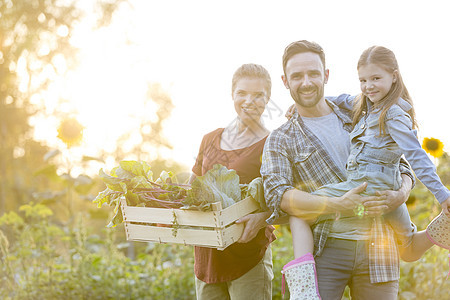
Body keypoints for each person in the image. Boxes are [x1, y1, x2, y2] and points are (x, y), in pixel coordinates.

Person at [283, 43, 450, 299]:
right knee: (408, 249)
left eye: (375, 78)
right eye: (362, 80)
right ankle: (442, 229)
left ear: (394, 75)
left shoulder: (392, 114)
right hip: (388, 187)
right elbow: (343, 99)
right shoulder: (367, 104)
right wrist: (303, 102)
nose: (368, 85)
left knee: (299, 209)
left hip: (364, 186)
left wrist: (442, 194)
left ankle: (304, 291)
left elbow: (417, 156)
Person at [261, 40, 416, 300]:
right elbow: (279, 196)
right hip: (326, 247)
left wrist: (402, 192)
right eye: (297, 76)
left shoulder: (359, 112)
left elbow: (399, 160)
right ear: (285, 81)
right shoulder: (281, 138)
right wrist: (337, 204)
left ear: (326, 75)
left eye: (313, 73)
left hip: (378, 246)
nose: (306, 82)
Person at [189, 63, 276, 300]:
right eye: (242, 93)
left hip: (247, 256)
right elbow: (191, 188)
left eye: (258, 95)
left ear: (268, 99)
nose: (250, 101)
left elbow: (284, 199)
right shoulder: (210, 139)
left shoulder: (272, 144)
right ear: (232, 95)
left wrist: (261, 219)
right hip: (207, 255)